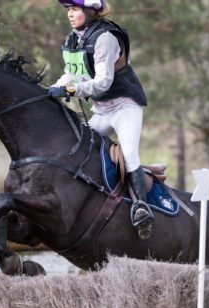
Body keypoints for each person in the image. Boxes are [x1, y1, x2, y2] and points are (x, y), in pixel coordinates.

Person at [47, 0, 153, 239]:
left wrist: (71, 91)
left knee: (128, 152)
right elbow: (70, 74)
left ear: (90, 10)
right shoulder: (74, 38)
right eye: (69, 10)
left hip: (125, 106)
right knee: (80, 146)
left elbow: (104, 82)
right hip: (102, 111)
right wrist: (52, 89)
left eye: (74, 10)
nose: (70, 15)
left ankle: (141, 207)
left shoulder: (106, 37)